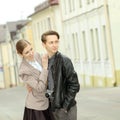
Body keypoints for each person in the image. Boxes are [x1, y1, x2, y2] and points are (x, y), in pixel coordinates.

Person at [41, 30, 80, 120]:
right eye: (51, 42)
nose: (55, 45)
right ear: (44, 44)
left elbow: (74, 85)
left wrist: (65, 107)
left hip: (65, 109)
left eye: (56, 42)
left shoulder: (65, 60)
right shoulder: (44, 61)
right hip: (51, 108)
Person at [16, 39, 52, 120]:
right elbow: (40, 88)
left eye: (31, 49)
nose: (31, 53)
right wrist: (45, 68)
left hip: (48, 101)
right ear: (21, 54)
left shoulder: (37, 55)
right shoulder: (23, 70)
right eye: (27, 52)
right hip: (37, 107)